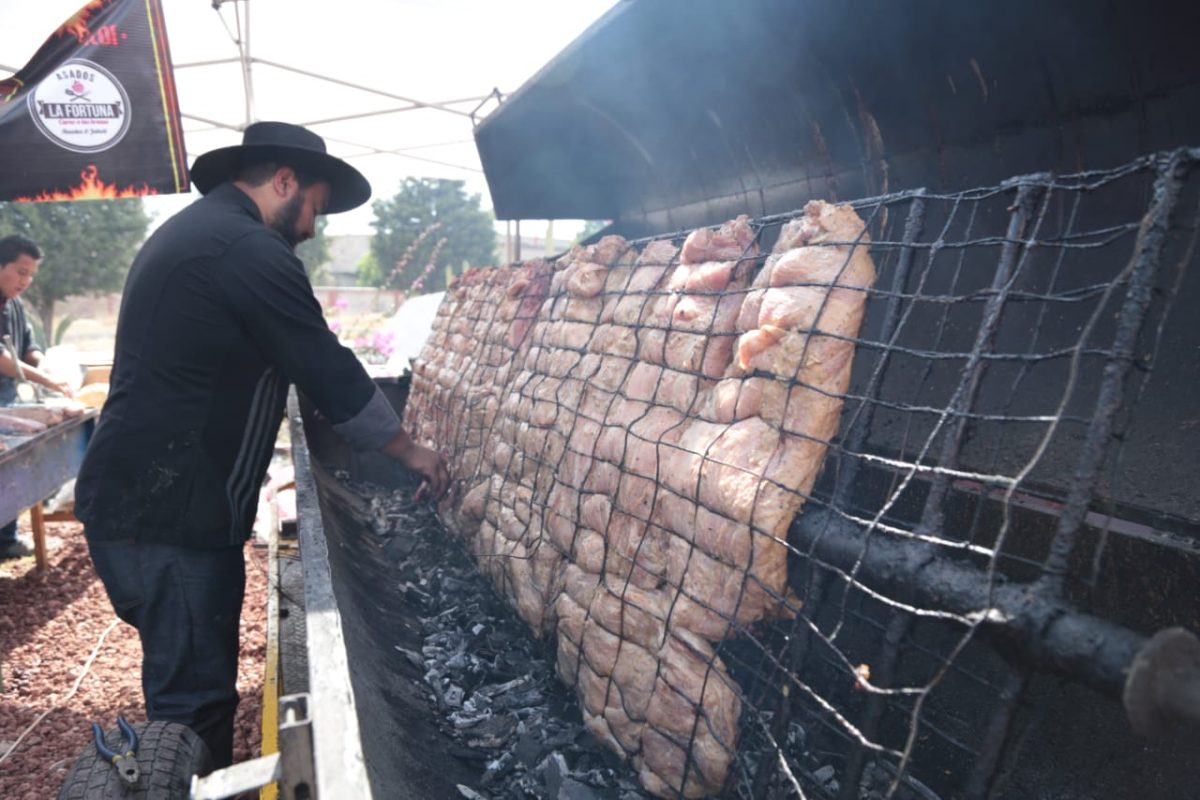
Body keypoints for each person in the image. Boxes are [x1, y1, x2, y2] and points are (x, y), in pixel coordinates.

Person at [74, 121, 450, 768]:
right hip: (167, 519)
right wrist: (409, 450)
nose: (313, 228)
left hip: (147, 504)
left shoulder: (205, 232)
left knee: (189, 684)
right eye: (316, 208)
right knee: (192, 705)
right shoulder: (246, 248)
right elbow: (323, 362)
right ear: (284, 181)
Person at [0, 234, 74, 559]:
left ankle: (6, 540)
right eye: (21, 272)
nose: (25, 281)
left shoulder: (15, 305)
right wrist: (47, 380)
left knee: (10, 472)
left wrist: (47, 366)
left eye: (30, 275)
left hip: (7, 400)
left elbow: (28, 349)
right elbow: (3, 360)